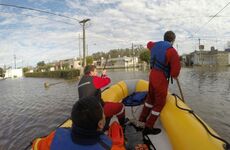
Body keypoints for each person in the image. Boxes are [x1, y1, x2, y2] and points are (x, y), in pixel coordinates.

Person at [138, 31, 181, 134]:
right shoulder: (172, 51)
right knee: (160, 103)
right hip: (160, 78)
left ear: (164, 38)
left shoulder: (154, 45)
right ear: (173, 40)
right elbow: (175, 72)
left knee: (150, 99)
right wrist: (174, 74)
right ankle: (148, 127)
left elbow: (149, 44)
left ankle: (141, 120)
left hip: (152, 75)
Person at [32, 96, 112, 150]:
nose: (104, 115)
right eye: (103, 113)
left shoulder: (55, 136)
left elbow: (36, 144)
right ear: (100, 124)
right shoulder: (108, 146)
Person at [78, 65, 125, 130]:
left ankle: (105, 127)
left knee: (107, 109)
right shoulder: (94, 79)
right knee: (121, 107)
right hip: (96, 110)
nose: (97, 73)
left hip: (84, 111)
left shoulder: (80, 82)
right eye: (96, 71)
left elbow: (95, 86)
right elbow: (108, 81)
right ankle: (123, 127)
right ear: (91, 72)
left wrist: (101, 76)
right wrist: (104, 75)